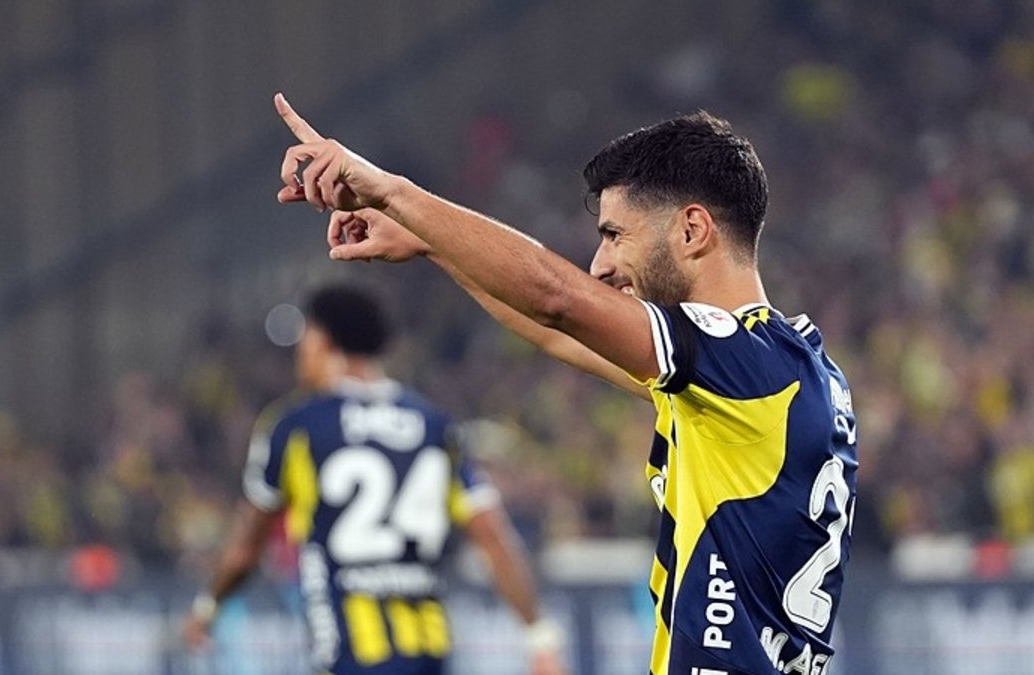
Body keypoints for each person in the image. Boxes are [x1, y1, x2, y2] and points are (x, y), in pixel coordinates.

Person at [274, 93, 858, 675]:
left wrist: (391, 192)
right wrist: (432, 243)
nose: (600, 265)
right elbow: (560, 334)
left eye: (616, 235)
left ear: (691, 230)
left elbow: (557, 299)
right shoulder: (777, 371)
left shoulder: (738, 360)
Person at [182, 284, 566, 675]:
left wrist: (208, 607)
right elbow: (493, 538)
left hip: (348, 650)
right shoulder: (434, 425)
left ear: (321, 341)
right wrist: (539, 637)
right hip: (426, 652)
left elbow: (247, 548)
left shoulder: (296, 426)